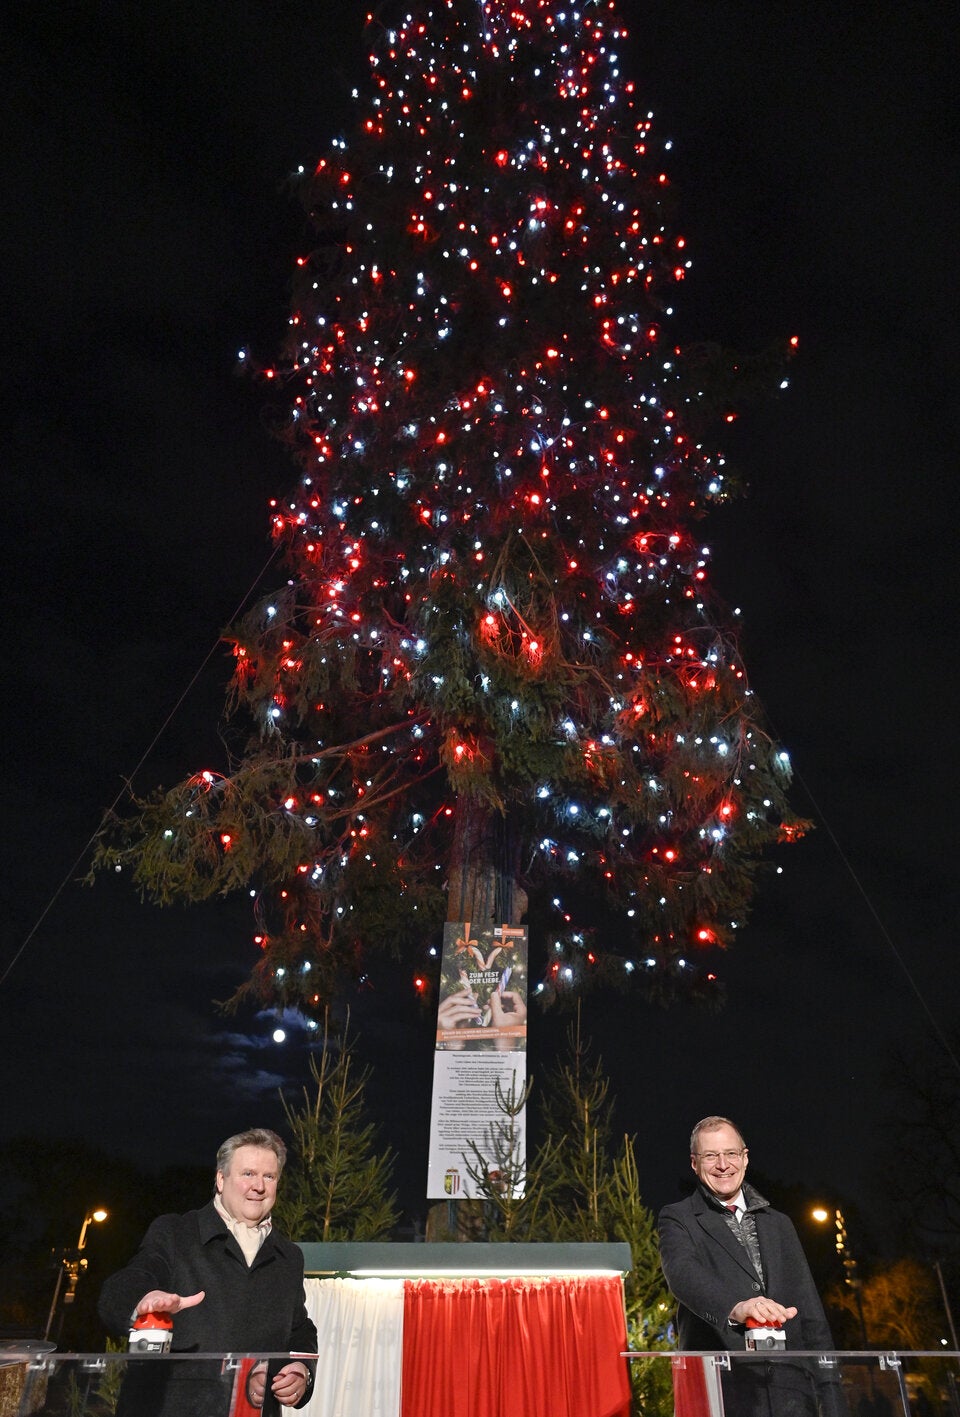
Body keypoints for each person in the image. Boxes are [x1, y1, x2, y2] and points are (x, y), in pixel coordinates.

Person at [99, 1128, 317, 1417]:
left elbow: (300, 1330)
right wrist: (143, 1298)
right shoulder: (176, 1233)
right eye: (248, 1174)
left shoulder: (289, 1257)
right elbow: (128, 1282)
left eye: (269, 1176)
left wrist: (301, 1371)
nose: (259, 1186)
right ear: (221, 1179)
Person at [658, 1115, 845, 1417]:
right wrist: (736, 1308)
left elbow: (810, 1313)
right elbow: (681, 1274)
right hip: (723, 1390)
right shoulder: (677, 1219)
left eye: (731, 1153)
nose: (723, 1164)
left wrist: (833, 1398)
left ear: (745, 1158)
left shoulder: (780, 1223)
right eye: (711, 1156)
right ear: (695, 1163)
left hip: (792, 1395)